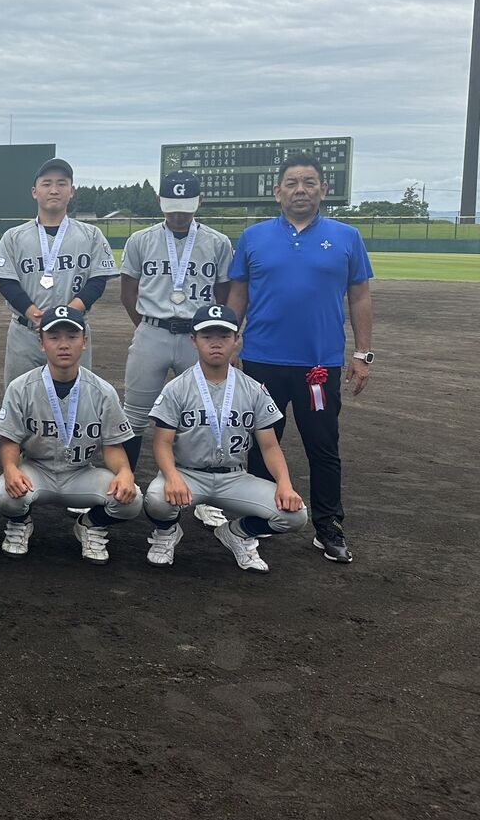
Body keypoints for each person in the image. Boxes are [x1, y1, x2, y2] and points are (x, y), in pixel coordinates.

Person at [226, 153, 374, 564]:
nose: (300, 190)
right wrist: (230, 342)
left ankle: (328, 525)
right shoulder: (253, 237)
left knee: (323, 447)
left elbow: (360, 296)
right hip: (262, 361)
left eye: (309, 182)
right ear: (277, 192)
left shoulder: (347, 237)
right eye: (291, 183)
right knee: (260, 443)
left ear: (324, 190)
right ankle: (258, 518)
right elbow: (238, 294)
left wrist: (362, 354)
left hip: (318, 365)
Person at [142, 305, 308, 571]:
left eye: (224, 336)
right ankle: (166, 532)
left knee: (295, 515)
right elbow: (161, 442)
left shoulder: (253, 389)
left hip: (234, 477)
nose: (216, 343)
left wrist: (285, 484)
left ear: (236, 340)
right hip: (188, 474)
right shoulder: (177, 388)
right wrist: (172, 477)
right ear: (194, 340)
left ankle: (238, 533)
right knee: (157, 499)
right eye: (207, 336)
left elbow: (270, 446)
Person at [118, 169, 233, 527]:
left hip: (196, 337)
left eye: (186, 205)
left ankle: (203, 494)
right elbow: (128, 292)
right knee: (134, 415)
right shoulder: (140, 240)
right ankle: (124, 484)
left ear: (200, 201)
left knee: (205, 413)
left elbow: (223, 295)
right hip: (152, 331)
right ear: (159, 202)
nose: (179, 213)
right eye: (171, 206)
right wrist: (147, 327)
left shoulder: (218, 242)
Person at [0, 307, 139, 563]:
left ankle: (90, 524)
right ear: (41, 343)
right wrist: (11, 469)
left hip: (81, 473)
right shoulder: (21, 387)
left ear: (84, 341)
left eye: (72, 336)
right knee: (5, 493)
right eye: (54, 337)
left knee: (131, 499)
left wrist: (124, 472)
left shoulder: (103, 391)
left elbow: (112, 446)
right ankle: (20, 522)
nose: (63, 345)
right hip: (36, 470)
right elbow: (9, 442)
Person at [0, 157, 119, 387]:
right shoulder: (14, 236)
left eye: (61, 183)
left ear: (72, 191)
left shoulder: (90, 235)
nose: (54, 190)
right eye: (47, 183)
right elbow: (7, 283)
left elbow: (97, 280)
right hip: (26, 333)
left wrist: (70, 312)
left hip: (72, 331)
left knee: (76, 396)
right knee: (20, 396)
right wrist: (33, 314)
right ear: (34, 192)